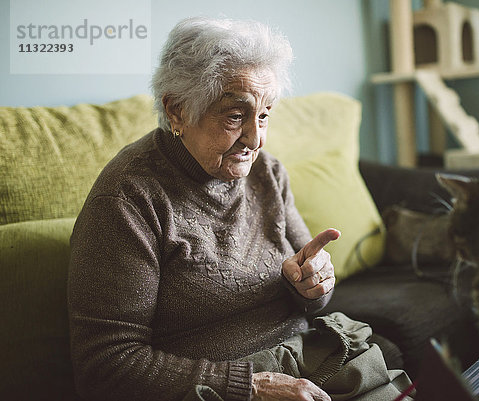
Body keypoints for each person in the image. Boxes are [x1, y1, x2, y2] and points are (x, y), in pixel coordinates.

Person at [68, 17, 410, 401]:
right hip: (215, 388)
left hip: (306, 360)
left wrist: (313, 285)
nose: (255, 138)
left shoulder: (266, 172)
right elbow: (105, 365)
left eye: (264, 115)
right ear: (177, 111)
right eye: (235, 116)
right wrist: (248, 386)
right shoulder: (129, 199)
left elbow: (311, 294)